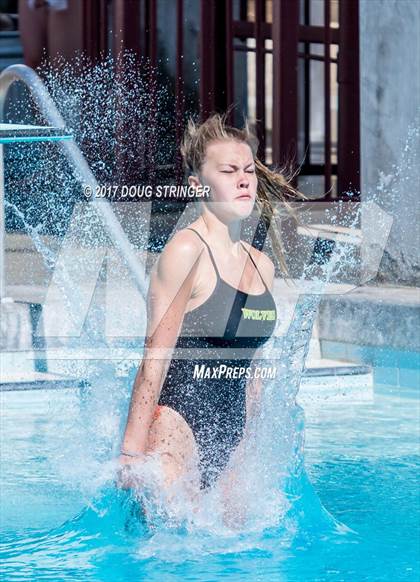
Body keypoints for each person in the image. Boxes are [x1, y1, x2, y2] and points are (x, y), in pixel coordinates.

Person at [118, 113, 303, 507]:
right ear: (197, 184)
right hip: (177, 427)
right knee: (171, 557)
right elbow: (155, 357)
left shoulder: (261, 265)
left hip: (233, 436)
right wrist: (131, 454)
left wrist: (251, 447)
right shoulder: (186, 251)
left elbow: (253, 368)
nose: (244, 179)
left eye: (249, 170)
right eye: (229, 170)